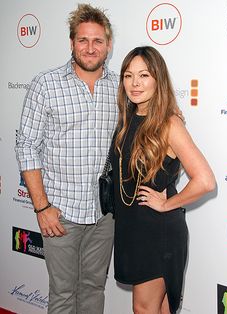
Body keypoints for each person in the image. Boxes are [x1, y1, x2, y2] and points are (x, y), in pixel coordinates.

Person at [15, 4, 118, 314]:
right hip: (60, 213)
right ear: (72, 42)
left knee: (93, 291)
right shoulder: (45, 84)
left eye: (98, 41)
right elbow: (26, 146)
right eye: (83, 40)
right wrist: (42, 207)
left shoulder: (120, 87)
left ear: (108, 45)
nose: (90, 48)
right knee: (62, 295)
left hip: (104, 215)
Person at [110, 46, 216, 314]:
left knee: (144, 308)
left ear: (158, 79)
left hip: (158, 232)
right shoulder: (128, 119)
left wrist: (167, 203)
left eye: (144, 75)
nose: (135, 83)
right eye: (128, 75)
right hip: (132, 228)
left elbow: (205, 180)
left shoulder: (169, 124)